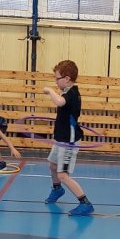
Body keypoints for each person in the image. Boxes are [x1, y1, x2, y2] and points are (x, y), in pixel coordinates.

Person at [42, 60, 93, 216]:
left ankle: (85, 202)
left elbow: (60, 102)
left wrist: (50, 91)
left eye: (57, 78)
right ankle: (57, 189)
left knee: (62, 174)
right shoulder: (67, 91)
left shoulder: (72, 93)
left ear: (67, 78)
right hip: (60, 138)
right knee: (52, 164)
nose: (55, 82)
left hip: (68, 142)